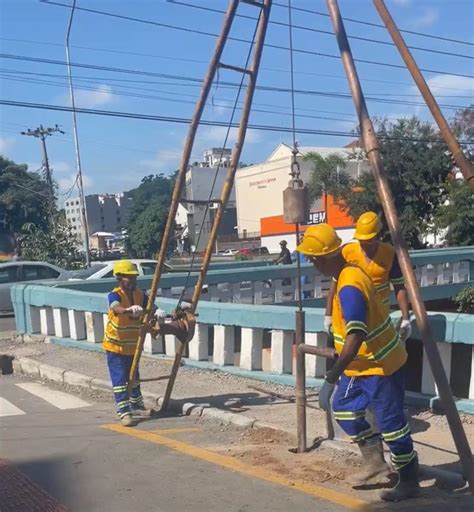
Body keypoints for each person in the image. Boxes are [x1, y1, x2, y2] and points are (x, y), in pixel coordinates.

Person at [297, 224, 419, 502]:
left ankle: (409, 479)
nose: (312, 264)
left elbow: (356, 335)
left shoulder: (350, 284)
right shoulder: (345, 272)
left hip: (380, 365)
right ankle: (375, 461)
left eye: (313, 259)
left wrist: (331, 377)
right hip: (361, 365)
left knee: (392, 425)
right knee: (344, 408)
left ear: (323, 258)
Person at [103, 260, 195, 427]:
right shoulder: (115, 294)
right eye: (128, 278)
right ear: (119, 278)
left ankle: (137, 405)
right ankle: (124, 412)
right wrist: (129, 310)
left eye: (134, 277)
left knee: (135, 377)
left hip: (132, 345)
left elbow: (151, 306)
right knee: (120, 379)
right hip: (116, 346)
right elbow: (115, 308)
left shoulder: (139, 294)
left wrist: (157, 312)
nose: (132, 281)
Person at [324, 211, 411, 343]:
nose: (364, 244)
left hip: (378, 315)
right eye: (361, 241)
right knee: (350, 349)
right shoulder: (347, 251)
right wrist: (328, 315)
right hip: (349, 313)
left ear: (377, 236)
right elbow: (334, 286)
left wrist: (405, 318)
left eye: (368, 241)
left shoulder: (389, 254)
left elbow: (399, 287)